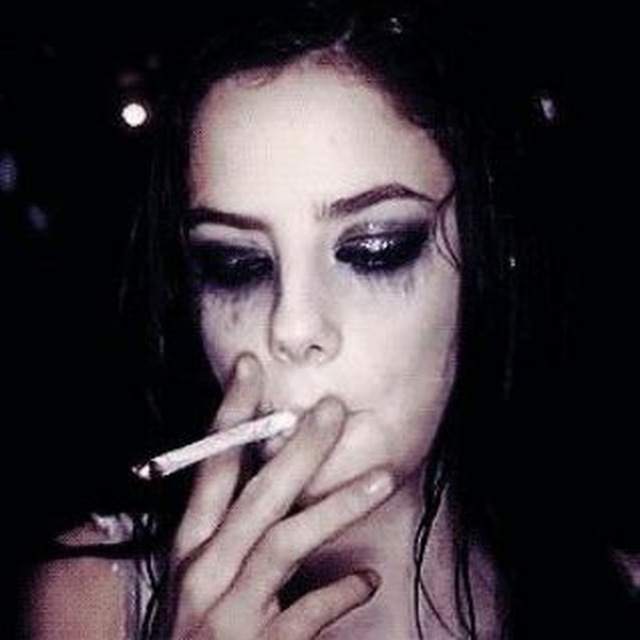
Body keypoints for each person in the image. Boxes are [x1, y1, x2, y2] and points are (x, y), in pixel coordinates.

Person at [21, 1, 640, 638]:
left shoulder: (618, 598)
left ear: (491, 253)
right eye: (235, 264)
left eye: (375, 250)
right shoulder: (91, 603)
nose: (292, 328)